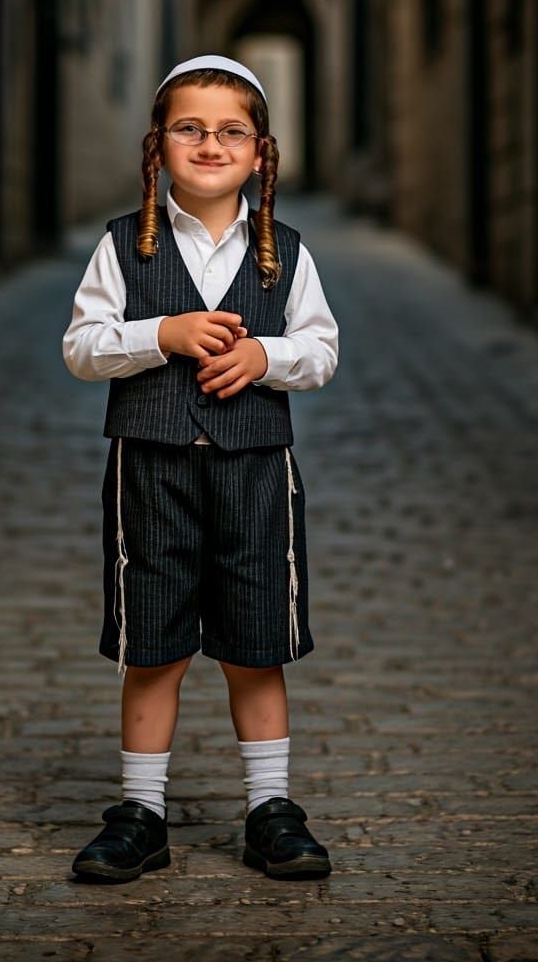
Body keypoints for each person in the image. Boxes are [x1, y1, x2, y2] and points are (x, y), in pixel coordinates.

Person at [62, 54, 338, 883]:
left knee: (258, 643)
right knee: (154, 642)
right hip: (149, 474)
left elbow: (321, 350)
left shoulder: (285, 251)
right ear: (157, 147)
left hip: (255, 472)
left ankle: (269, 809)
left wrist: (264, 354)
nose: (210, 143)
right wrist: (162, 337)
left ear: (260, 152)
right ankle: (141, 812)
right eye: (190, 128)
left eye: (231, 131)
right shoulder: (121, 247)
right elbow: (81, 347)